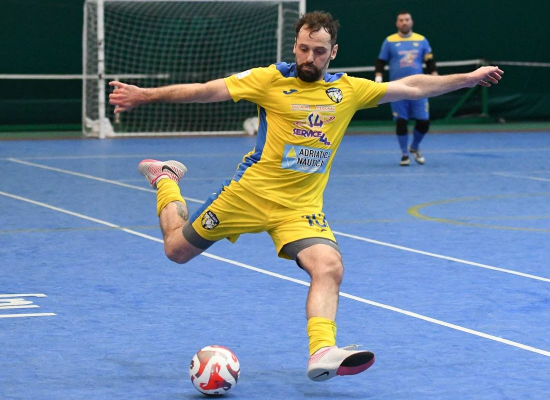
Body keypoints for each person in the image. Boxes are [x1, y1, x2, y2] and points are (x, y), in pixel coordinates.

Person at [109, 11, 502, 381]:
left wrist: (468, 78)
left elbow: (413, 86)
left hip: (300, 208)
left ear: (333, 52)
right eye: (303, 48)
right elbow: (206, 91)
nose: (309, 58)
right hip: (247, 195)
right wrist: (146, 95)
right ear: (295, 46)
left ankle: (322, 351)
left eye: (318, 51)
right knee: (176, 250)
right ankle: (165, 178)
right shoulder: (269, 79)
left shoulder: (348, 90)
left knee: (329, 266)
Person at [375, 11, 438, 166]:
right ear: (397, 23)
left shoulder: (421, 40)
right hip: (397, 88)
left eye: (407, 19)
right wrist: (378, 79)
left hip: (419, 88)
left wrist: (435, 78)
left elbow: (430, 61)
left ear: (411, 22)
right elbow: (381, 62)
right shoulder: (389, 41)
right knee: (401, 121)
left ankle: (414, 147)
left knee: (424, 122)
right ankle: (404, 154)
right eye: (401, 20)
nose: (404, 22)